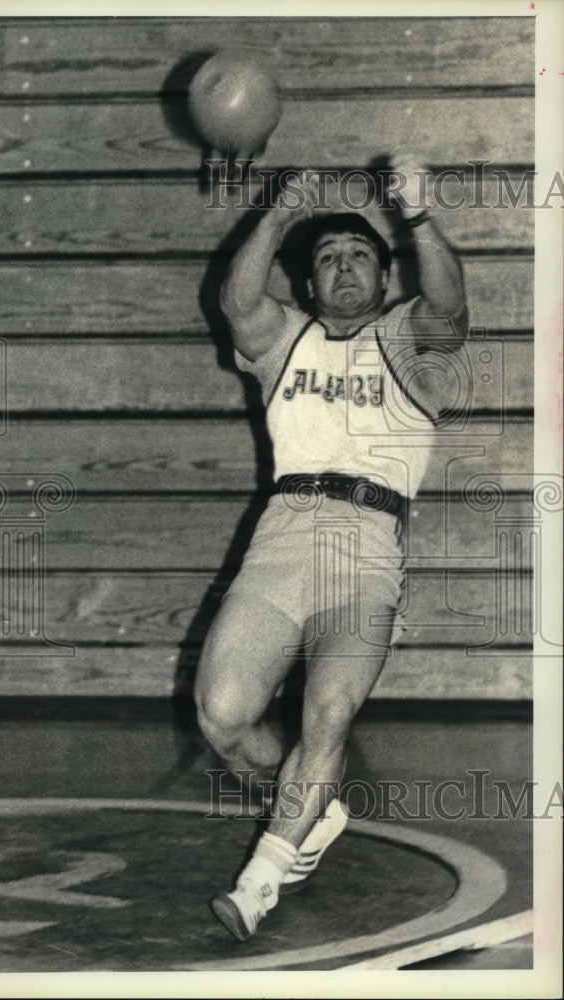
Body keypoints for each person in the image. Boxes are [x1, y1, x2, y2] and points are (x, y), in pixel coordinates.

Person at [194, 153, 469, 941]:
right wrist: (278, 214)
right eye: (326, 259)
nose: (344, 266)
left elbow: (451, 303)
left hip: (365, 543)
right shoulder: (286, 340)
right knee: (222, 717)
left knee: (328, 713)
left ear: (385, 278)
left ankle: (260, 880)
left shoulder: (409, 340)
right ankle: (315, 812)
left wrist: (416, 218)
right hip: (283, 533)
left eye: (359, 256)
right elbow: (236, 299)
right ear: (309, 285)